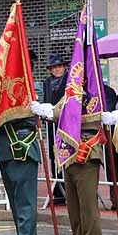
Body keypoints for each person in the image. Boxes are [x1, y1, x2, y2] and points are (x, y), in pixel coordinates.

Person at [32, 94, 106, 235]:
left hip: (86, 150)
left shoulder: (92, 90)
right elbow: (60, 108)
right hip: (69, 150)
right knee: (73, 206)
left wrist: (49, 111)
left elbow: (67, 112)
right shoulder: (71, 90)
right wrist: (49, 110)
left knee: (87, 206)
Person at [0, 114, 41, 235]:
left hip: (20, 141)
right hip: (4, 143)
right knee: (15, 202)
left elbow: (31, 106)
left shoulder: (28, 88)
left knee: (24, 201)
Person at [43, 54, 68, 205]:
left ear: (64, 68)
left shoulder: (69, 80)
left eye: (59, 66)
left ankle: (68, 189)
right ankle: (58, 191)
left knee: (66, 154)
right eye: (54, 67)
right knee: (54, 157)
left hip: (65, 125)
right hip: (52, 126)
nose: (57, 69)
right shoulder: (46, 83)